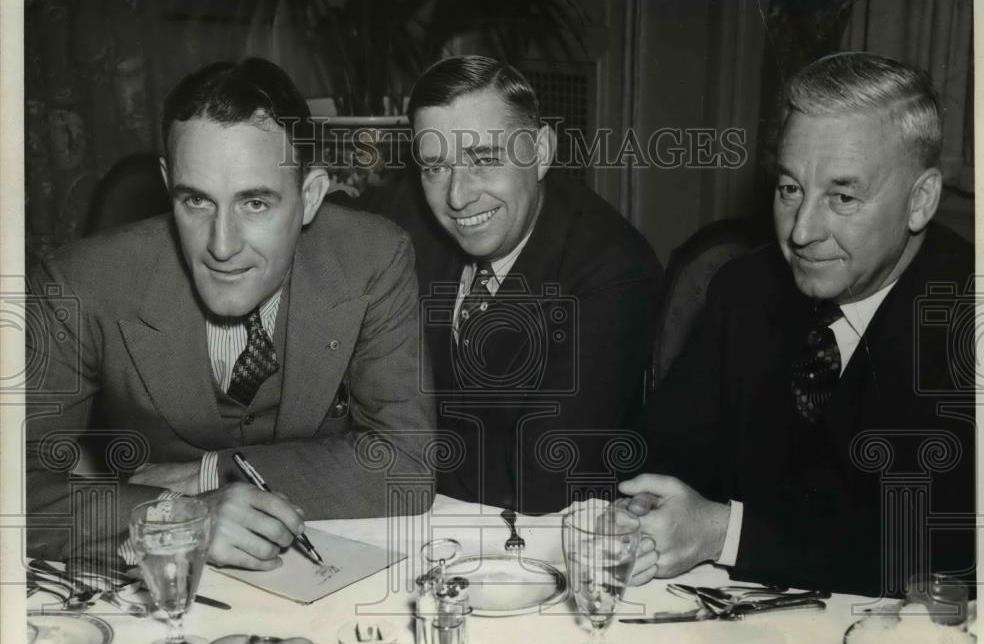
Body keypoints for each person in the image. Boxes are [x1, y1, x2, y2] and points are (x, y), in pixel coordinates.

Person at [25, 58, 435, 570]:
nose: (222, 246)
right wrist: (177, 517)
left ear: (310, 198)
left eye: (255, 204)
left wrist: (209, 473)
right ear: (167, 182)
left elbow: (405, 467)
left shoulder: (373, 258)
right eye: (196, 201)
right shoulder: (78, 283)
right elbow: (13, 491)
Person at [619, 52, 975, 597]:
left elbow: (946, 552)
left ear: (920, 199)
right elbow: (662, 446)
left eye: (843, 196)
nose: (803, 231)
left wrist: (723, 533)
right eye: (790, 189)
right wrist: (644, 504)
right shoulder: (745, 288)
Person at [399, 55, 663, 514]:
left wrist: (385, 448)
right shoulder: (412, 226)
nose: (458, 197)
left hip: (544, 540)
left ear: (541, 151)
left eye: (484, 158)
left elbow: (545, 477)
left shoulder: (614, 269)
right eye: (435, 167)